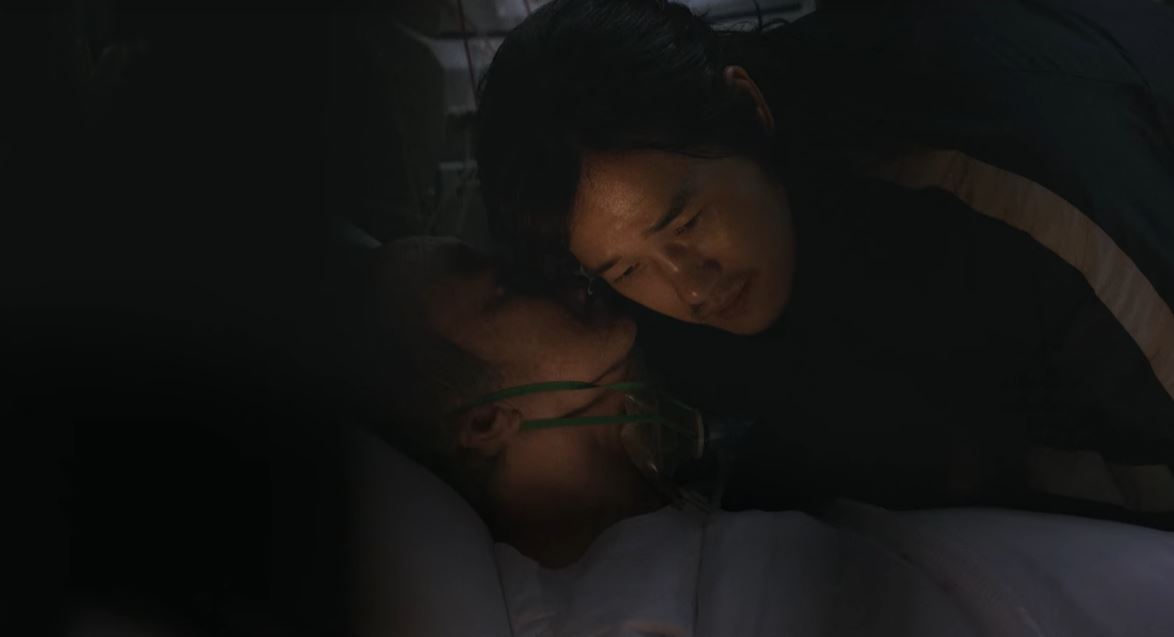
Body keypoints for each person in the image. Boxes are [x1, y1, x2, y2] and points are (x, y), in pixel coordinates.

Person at [474, 0, 1174, 514]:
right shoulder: (683, 302)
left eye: (685, 221)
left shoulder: (1011, 188)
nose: (688, 285)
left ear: (747, 109)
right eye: (626, 268)